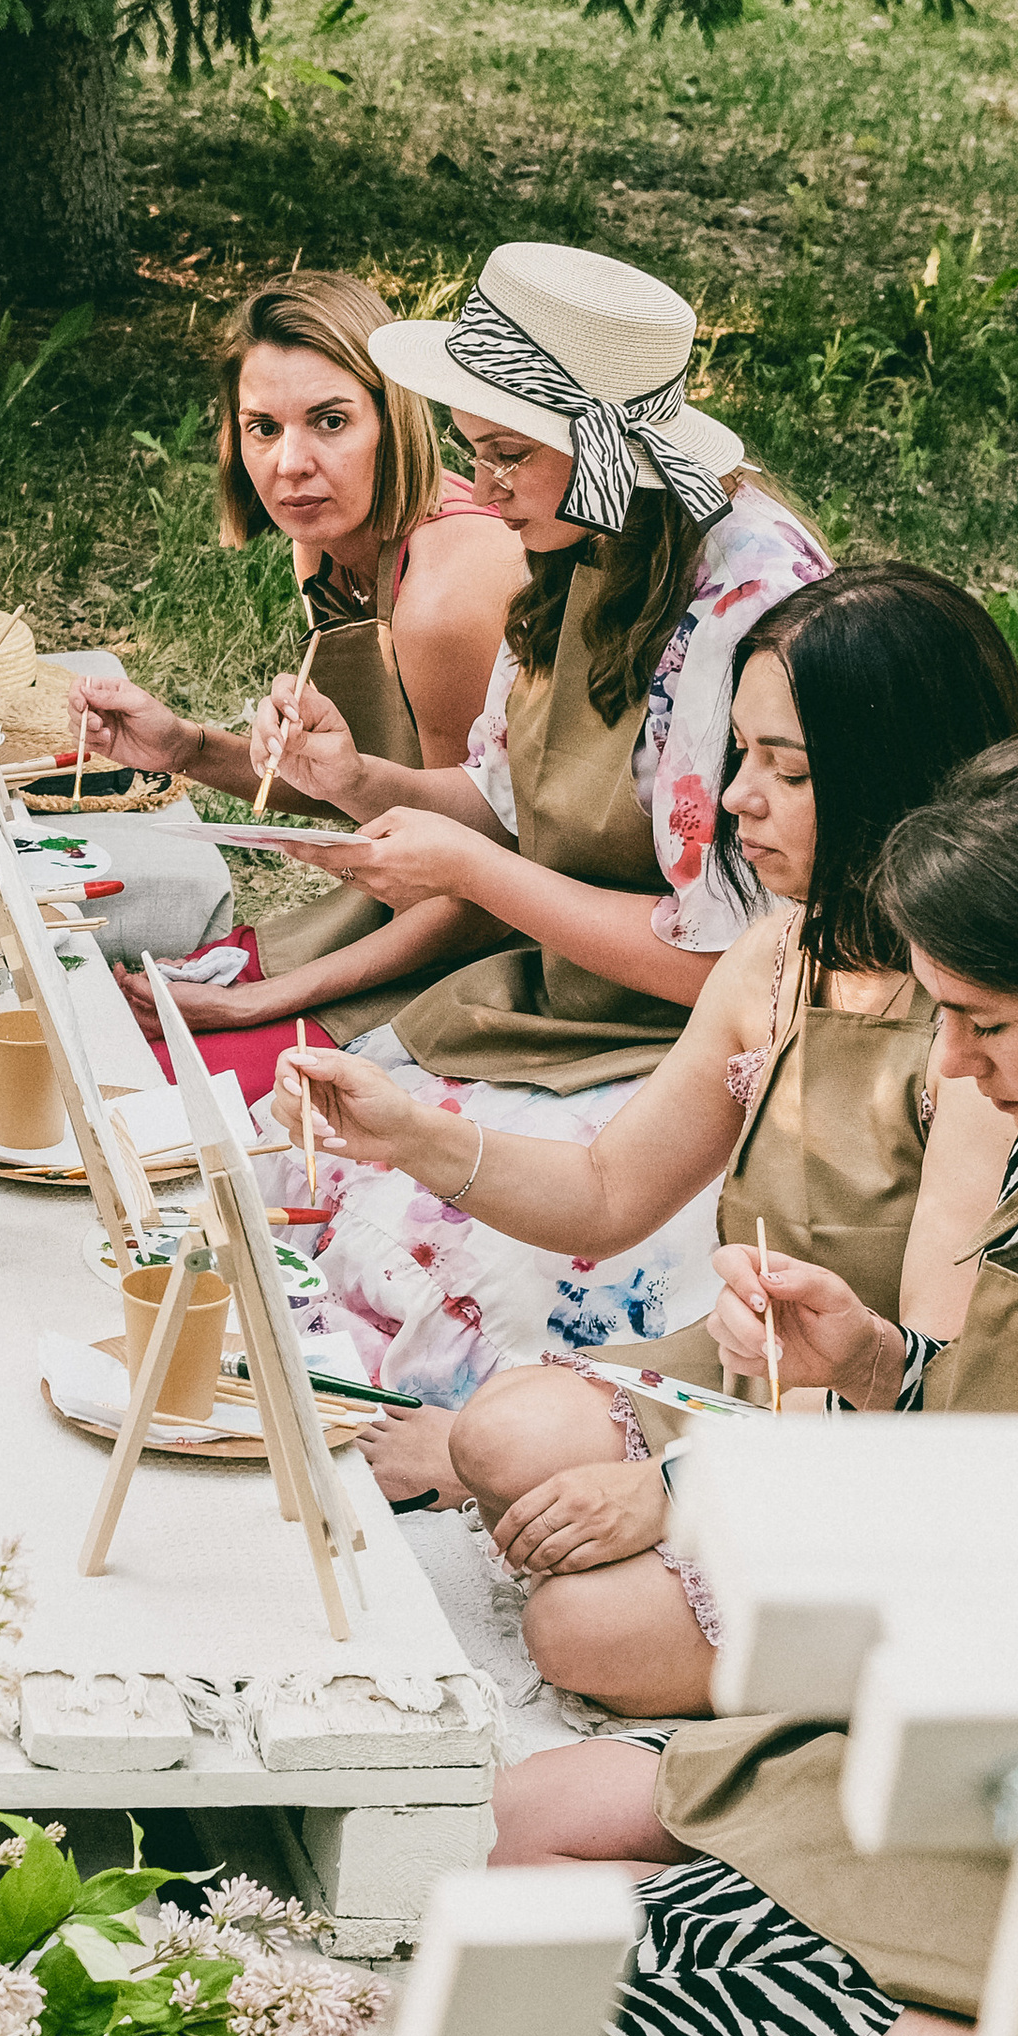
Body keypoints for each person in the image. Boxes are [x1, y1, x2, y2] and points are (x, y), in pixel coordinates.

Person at [271, 565, 1018, 1694]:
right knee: (492, 1438)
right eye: (740, 755)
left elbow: (920, 1386)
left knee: (577, 1630)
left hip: (867, 1440)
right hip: (744, 1383)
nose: (736, 798)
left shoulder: (977, 1042)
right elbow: (605, 1192)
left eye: (789, 769)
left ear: (895, 783)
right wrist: (407, 1137)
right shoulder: (779, 953)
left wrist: (677, 1492)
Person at [493, 731, 1018, 2036]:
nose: (948, 1068)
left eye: (985, 1023)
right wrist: (873, 1361)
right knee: (536, 1814)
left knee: (581, 1972)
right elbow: (1012, 1446)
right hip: (985, 1725)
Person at [240, 242, 831, 1412]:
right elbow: (510, 812)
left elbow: (727, 962)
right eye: (472, 452)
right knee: (297, 1170)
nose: (483, 488)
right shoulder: (581, 542)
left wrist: (473, 873)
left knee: (456, 1268)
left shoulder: (739, 609)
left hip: (701, 1050)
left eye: (506, 453)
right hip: (566, 1008)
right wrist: (355, 777)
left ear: (604, 448)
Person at [66, 271, 526, 1091]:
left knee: (139, 1089)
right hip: (396, 919)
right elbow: (364, 794)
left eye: (331, 422)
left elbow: (484, 878)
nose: (291, 465)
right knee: (82, 1028)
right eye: (262, 428)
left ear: (398, 421)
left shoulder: (446, 596)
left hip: (497, 958)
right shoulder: (326, 547)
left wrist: (260, 1004)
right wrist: (184, 747)